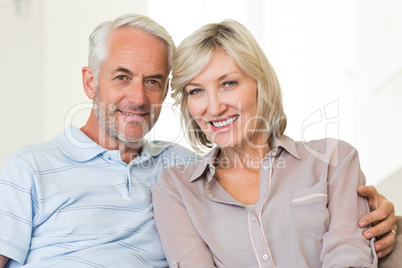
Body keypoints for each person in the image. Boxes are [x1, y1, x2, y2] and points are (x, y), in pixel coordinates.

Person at [0, 14, 396, 268]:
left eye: (153, 81)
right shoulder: (30, 168)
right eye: (122, 77)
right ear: (90, 81)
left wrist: (380, 215)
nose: (138, 97)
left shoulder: (178, 170)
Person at [151, 19, 398, 267]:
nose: (214, 107)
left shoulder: (333, 159)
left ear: (260, 83)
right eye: (196, 91)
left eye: (228, 83)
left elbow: (348, 257)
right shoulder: (176, 189)